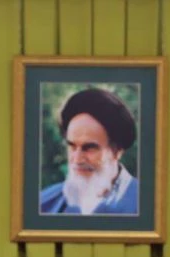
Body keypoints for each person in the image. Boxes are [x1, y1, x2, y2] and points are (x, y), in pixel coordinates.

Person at [39, 87, 139, 215]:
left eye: (89, 148)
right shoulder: (44, 204)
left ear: (117, 151)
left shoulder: (149, 205)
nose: (77, 159)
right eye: (72, 146)